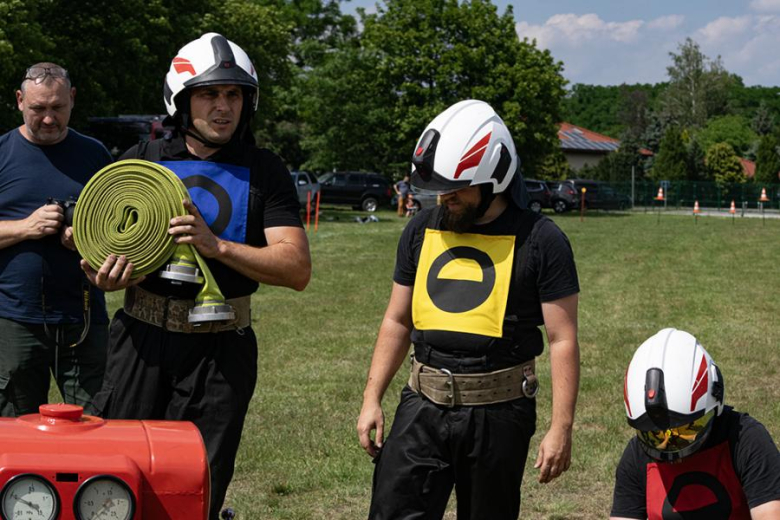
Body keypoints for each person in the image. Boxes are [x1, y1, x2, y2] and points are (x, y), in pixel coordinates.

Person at [81, 33, 311, 519]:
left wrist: (218, 246)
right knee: (115, 481)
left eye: (234, 94)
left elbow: (295, 268)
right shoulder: (142, 158)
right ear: (181, 101)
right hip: (140, 342)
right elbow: (104, 251)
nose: (224, 107)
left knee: (197, 489)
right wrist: (105, 277)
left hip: (221, 350)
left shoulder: (264, 169)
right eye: (210, 94)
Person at [357, 100, 580, 519]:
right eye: (440, 187)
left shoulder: (541, 240)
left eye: (457, 187)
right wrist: (372, 398)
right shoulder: (421, 229)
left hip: (499, 413)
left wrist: (560, 428)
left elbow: (563, 339)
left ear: (494, 177)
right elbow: (396, 319)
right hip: (421, 405)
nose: (445, 197)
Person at [0, 63, 112, 417]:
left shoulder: (95, 155)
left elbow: (120, 230)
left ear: (72, 100)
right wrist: (26, 227)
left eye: (57, 108)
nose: (48, 118)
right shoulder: (2, 153)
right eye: (38, 109)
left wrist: (86, 240)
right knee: (13, 429)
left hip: (84, 317)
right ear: (19, 101)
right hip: (15, 318)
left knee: (95, 421)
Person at [611, 328, 780, 520]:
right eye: (655, 436)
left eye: (685, 432)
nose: (671, 451)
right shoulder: (636, 457)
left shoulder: (746, 440)